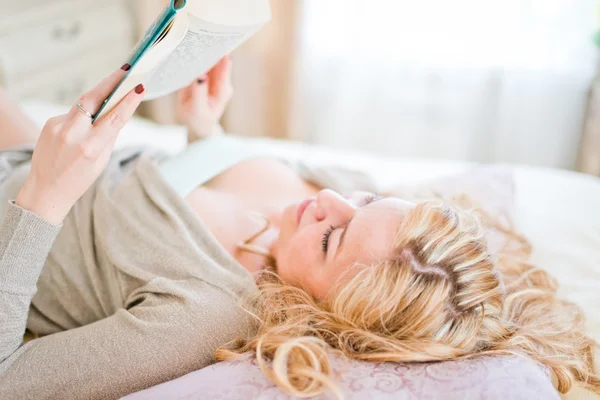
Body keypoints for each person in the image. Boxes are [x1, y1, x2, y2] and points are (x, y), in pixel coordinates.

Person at [0, 56, 598, 400]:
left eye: (331, 238)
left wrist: (45, 199)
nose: (331, 200)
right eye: (366, 200)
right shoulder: (333, 199)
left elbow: (10, 379)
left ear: (323, 309)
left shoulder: (203, 312)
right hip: (38, 151)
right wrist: (204, 131)